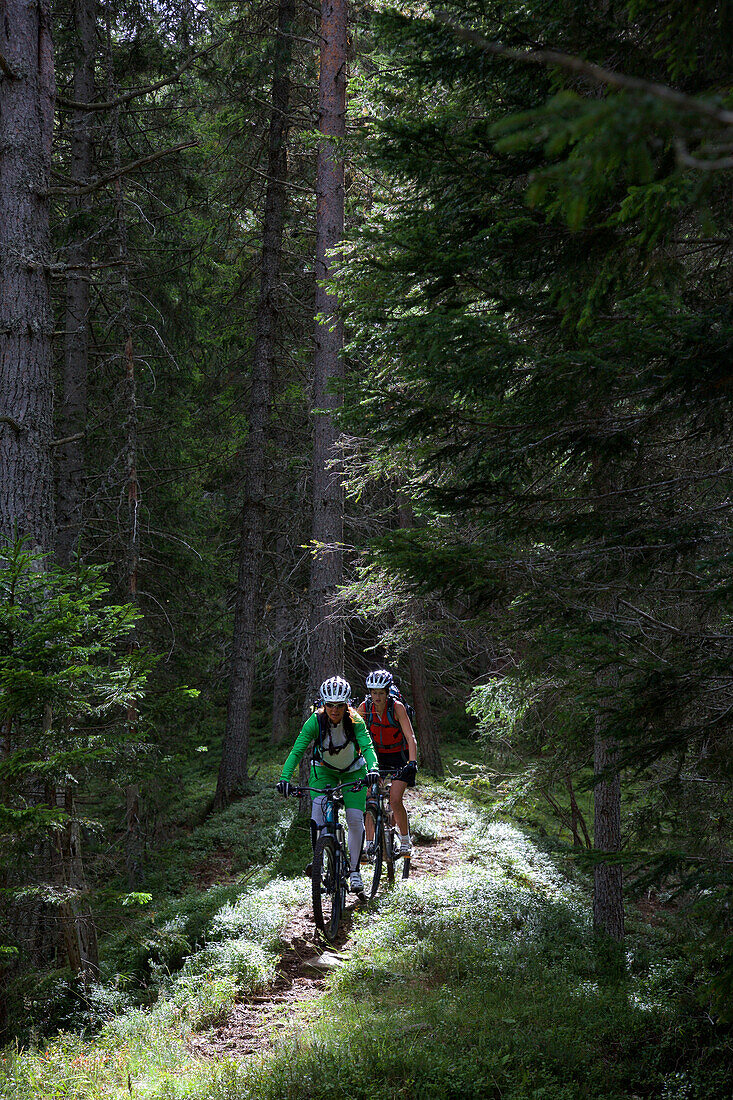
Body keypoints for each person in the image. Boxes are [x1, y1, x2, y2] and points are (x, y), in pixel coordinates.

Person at [276, 675, 379, 894]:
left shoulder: (355, 720)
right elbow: (297, 751)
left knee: (354, 817)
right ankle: (319, 865)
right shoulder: (315, 720)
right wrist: (285, 779)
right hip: (323, 770)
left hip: (353, 771)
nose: (334, 710)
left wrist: (373, 769)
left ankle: (354, 872)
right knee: (318, 810)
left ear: (346, 704)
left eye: (339, 706)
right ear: (323, 704)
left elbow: (367, 747)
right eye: (330, 705)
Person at [357, 669, 418, 855]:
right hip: (377, 757)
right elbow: (357, 738)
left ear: (387, 692)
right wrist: (357, 762)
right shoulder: (365, 708)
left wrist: (412, 763)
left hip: (399, 756)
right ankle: (369, 844)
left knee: (395, 799)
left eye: (381, 693)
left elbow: (410, 737)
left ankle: (406, 841)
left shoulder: (397, 707)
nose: (377, 697)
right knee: (369, 799)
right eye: (373, 693)